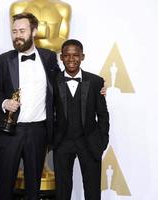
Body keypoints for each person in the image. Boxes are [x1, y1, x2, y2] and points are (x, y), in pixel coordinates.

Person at [0, 12, 60, 200]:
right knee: (5, 184)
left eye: (22, 31)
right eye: (14, 32)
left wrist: (97, 85)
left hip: (38, 131)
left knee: (33, 186)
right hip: (9, 131)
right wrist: (4, 102)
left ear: (34, 31)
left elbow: (61, 86)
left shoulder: (49, 58)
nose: (17, 36)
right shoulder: (4, 60)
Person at [52, 39, 110, 200]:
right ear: (61, 57)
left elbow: (103, 114)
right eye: (67, 55)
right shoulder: (52, 82)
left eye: (76, 55)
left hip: (89, 141)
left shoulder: (96, 81)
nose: (71, 59)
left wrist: (102, 140)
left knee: (92, 190)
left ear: (82, 56)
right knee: (62, 191)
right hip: (62, 142)